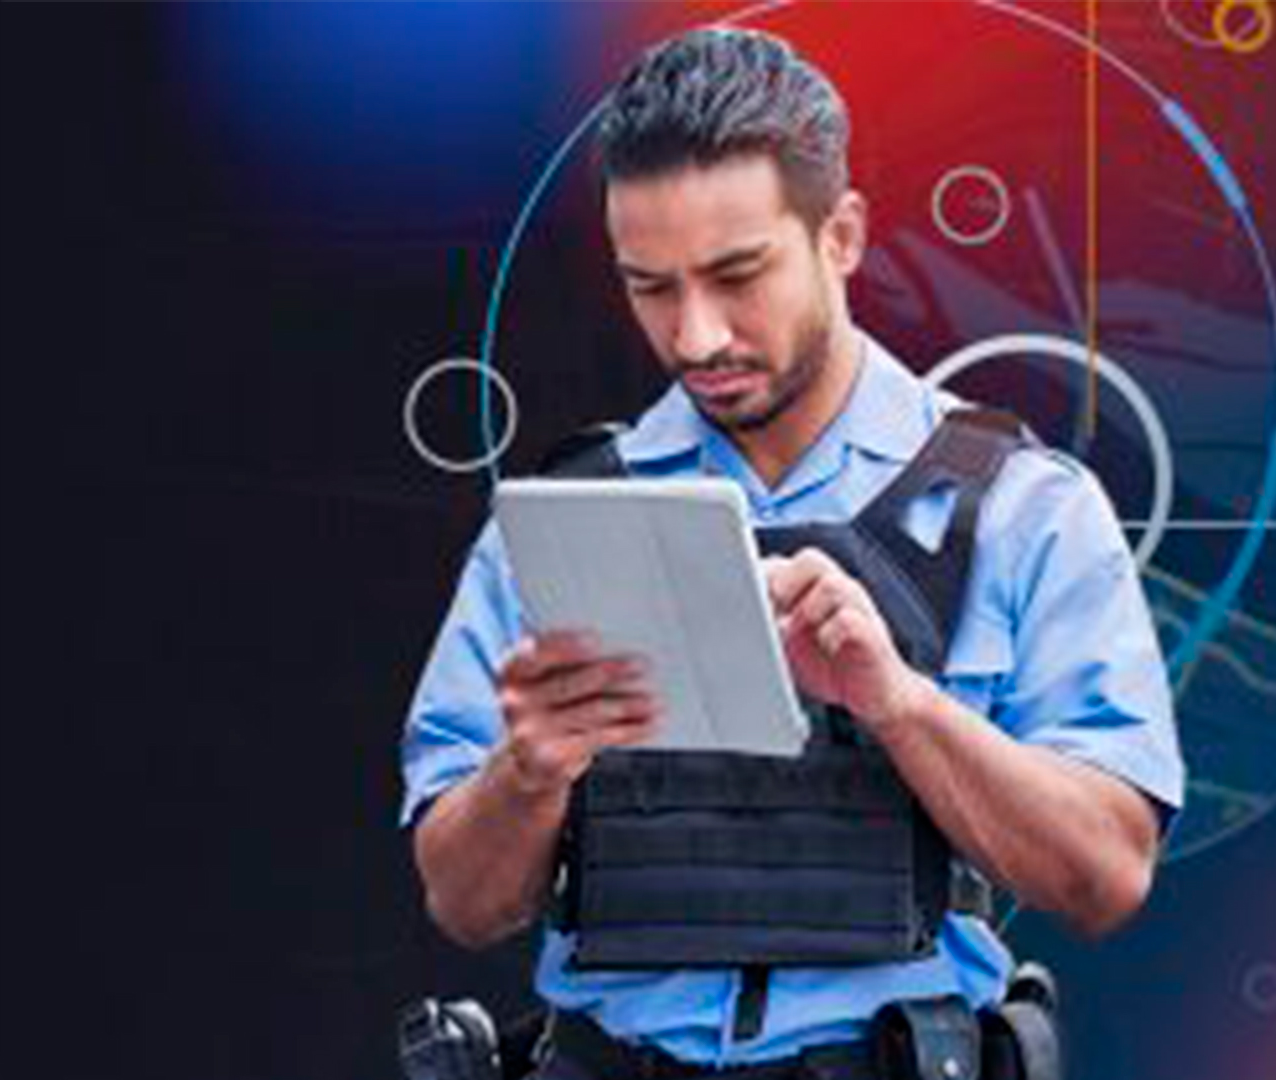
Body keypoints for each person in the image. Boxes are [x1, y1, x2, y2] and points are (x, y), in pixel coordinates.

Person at [400, 26, 1182, 1080]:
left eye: (738, 274)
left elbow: (1106, 877)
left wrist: (898, 706)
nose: (696, 336)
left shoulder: (1024, 511)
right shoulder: (553, 528)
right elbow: (463, 901)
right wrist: (528, 771)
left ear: (841, 235)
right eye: (651, 286)